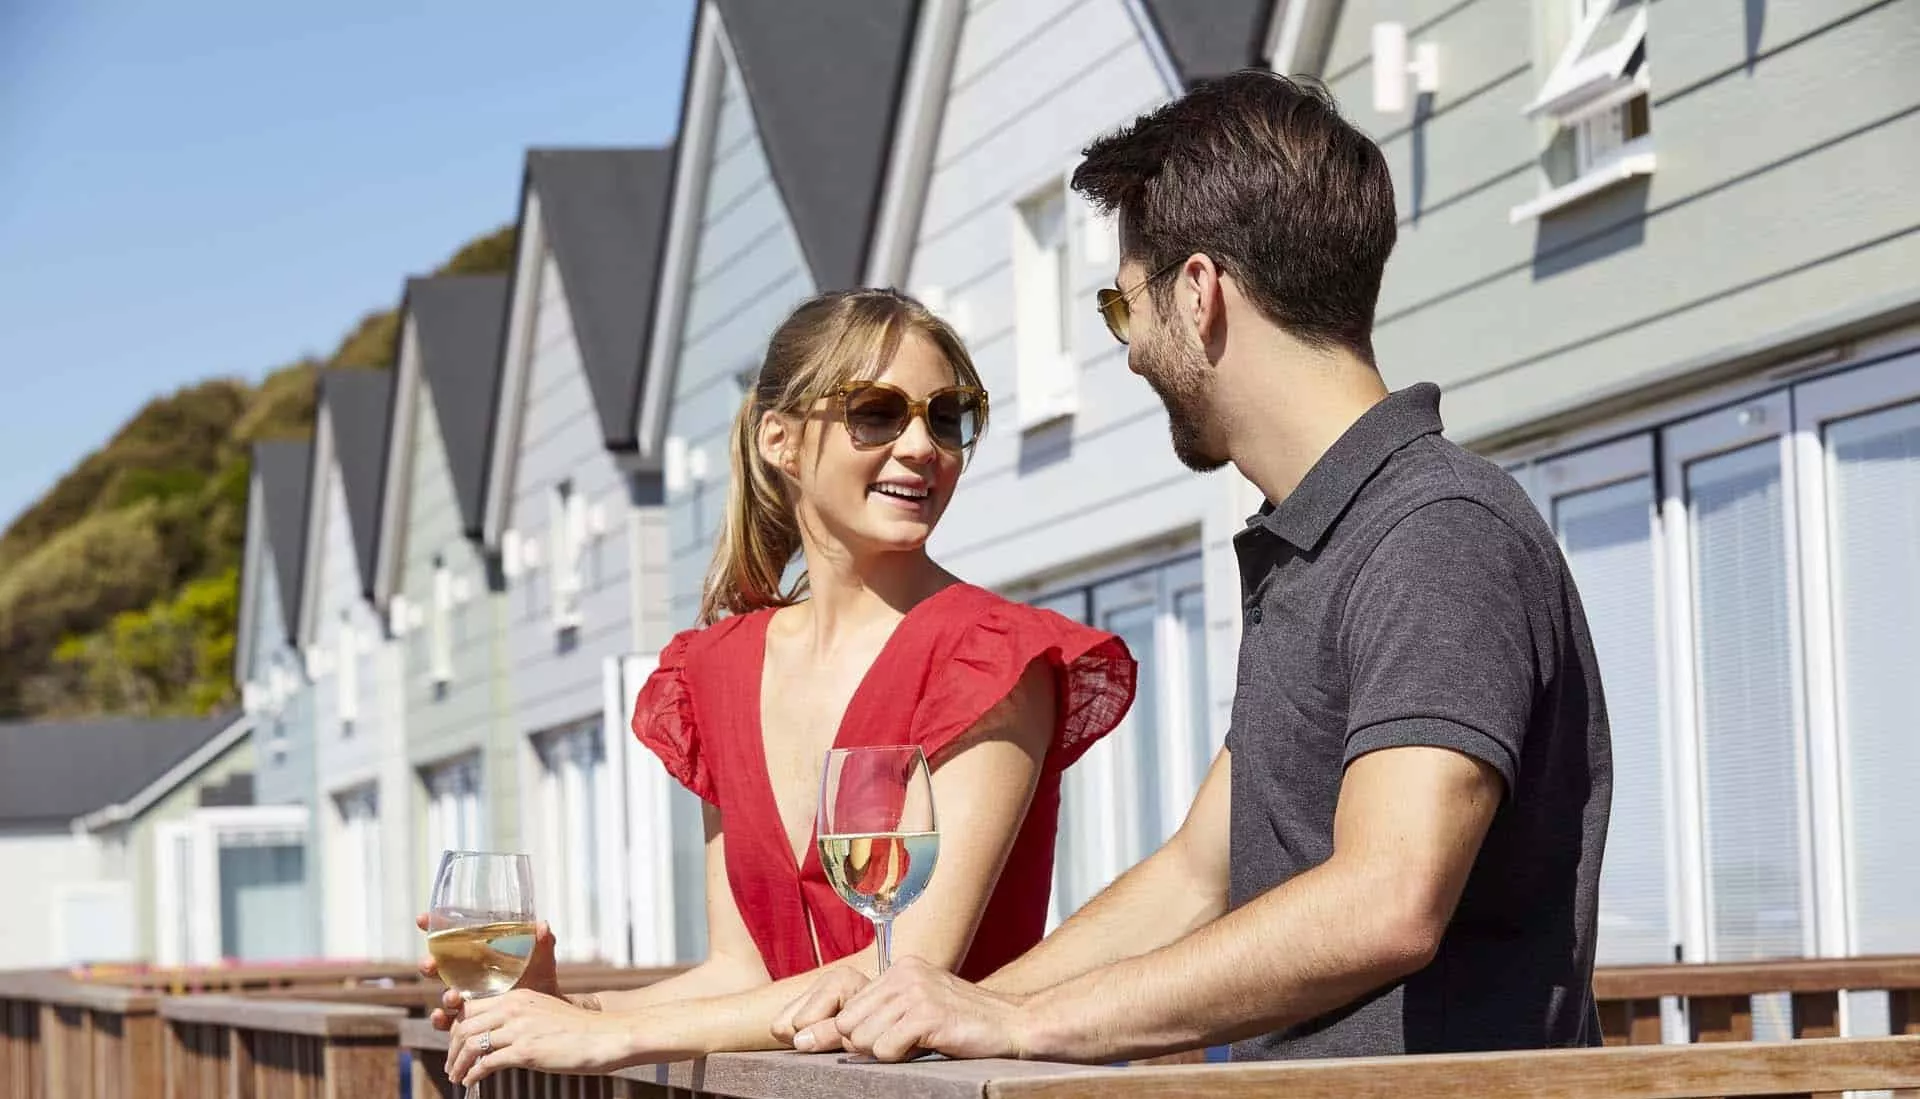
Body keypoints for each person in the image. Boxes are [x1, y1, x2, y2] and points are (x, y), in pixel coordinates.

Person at [780, 71, 1613, 1065]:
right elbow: (1196, 876)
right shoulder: (1320, 542)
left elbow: (1389, 897)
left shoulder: (1435, 532)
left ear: (1198, 291)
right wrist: (950, 1006)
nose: (1131, 352)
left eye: (1122, 305)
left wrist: (1026, 1023)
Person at [423, 289, 1136, 1087]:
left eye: (947, 417)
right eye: (876, 412)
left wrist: (606, 1033)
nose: (921, 446)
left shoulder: (992, 657)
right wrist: (566, 1008)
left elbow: (902, 968)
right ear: (781, 440)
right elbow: (740, 971)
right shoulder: (714, 671)